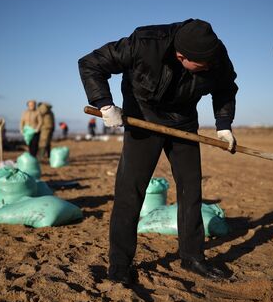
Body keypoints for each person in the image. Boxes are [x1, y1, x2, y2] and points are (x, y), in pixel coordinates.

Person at [78, 19, 238, 284]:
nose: (209, 67)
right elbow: (90, 63)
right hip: (144, 116)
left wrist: (224, 125)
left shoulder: (214, 53)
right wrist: (105, 104)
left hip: (184, 121)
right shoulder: (145, 42)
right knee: (131, 190)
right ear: (181, 55)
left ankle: (192, 257)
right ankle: (120, 263)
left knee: (190, 189)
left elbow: (225, 87)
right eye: (203, 65)